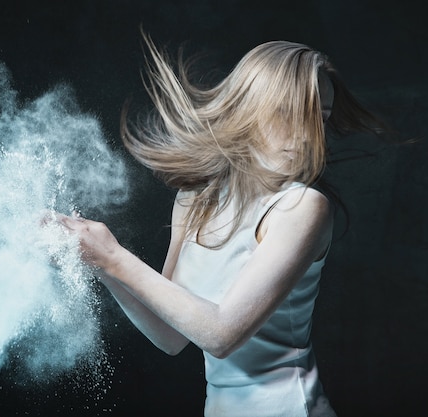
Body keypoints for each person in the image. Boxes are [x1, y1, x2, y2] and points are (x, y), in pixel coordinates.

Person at [55, 33, 383, 417]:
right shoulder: (195, 200)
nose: (309, 135)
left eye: (321, 119)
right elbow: (171, 336)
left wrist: (113, 257)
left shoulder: (302, 207)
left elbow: (222, 335)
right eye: (289, 114)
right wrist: (100, 263)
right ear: (250, 109)